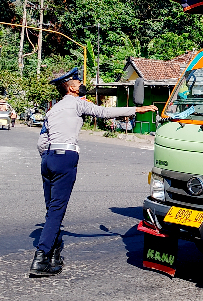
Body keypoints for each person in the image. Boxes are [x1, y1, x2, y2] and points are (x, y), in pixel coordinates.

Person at [30, 68, 158, 277]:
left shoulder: (53, 110)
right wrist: (137, 110)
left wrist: (48, 158)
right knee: (57, 210)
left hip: (48, 159)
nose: (82, 84)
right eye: (79, 82)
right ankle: (41, 257)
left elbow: (41, 142)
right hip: (65, 158)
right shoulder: (78, 103)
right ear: (71, 88)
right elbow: (105, 112)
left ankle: (54, 254)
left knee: (52, 209)